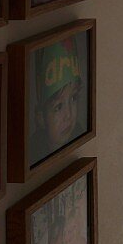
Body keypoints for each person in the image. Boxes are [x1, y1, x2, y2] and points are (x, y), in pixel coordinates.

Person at [29, 37, 83, 165]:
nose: (69, 115)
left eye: (73, 98)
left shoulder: (80, 136)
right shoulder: (33, 154)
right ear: (41, 117)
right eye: (58, 107)